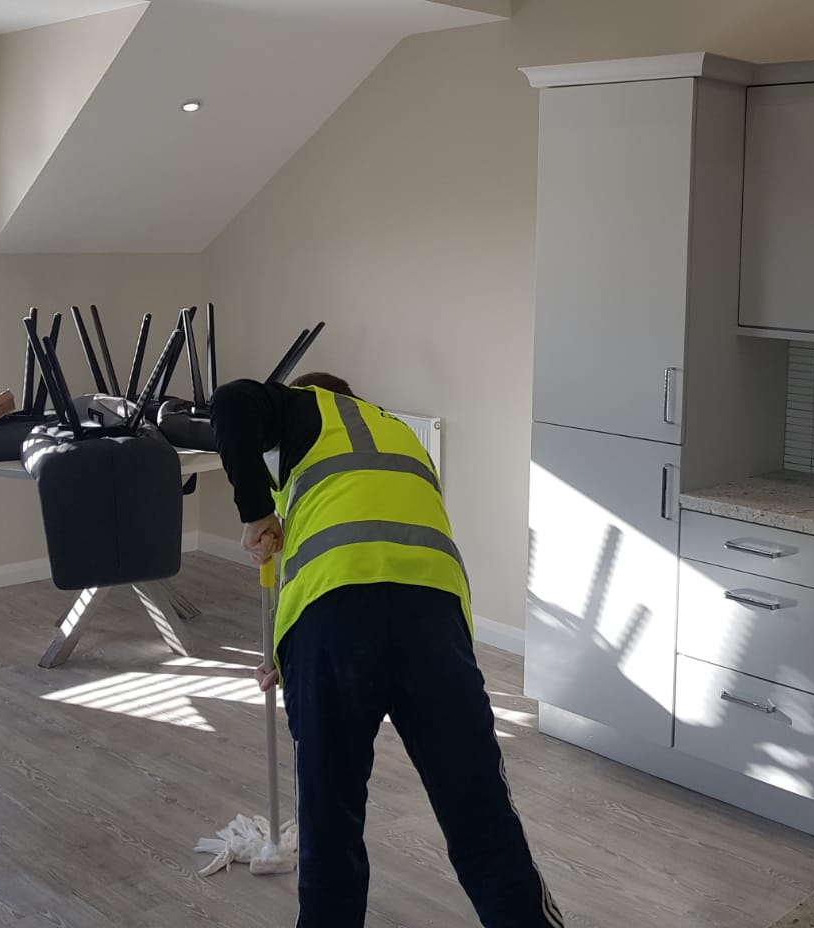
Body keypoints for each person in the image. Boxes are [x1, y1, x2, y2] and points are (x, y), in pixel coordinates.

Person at [210, 371, 564, 928]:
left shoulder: (306, 406)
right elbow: (372, 550)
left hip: (334, 622)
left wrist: (256, 511)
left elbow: (230, 401)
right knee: (480, 818)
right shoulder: (398, 435)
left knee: (330, 825)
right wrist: (288, 657)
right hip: (433, 623)